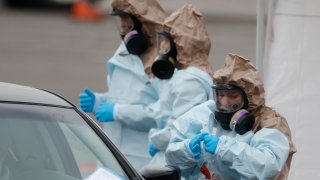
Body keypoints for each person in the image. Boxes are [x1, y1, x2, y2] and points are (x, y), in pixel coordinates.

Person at [165, 54, 297, 179]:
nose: (224, 103)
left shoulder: (270, 122)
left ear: (249, 97)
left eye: (233, 96)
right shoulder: (206, 114)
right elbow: (175, 163)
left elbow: (268, 166)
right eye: (221, 95)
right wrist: (186, 151)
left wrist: (224, 149)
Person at [79, 0, 166, 170]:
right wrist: (100, 101)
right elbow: (122, 97)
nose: (123, 24)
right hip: (112, 156)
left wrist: (118, 112)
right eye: (121, 19)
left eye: (128, 19)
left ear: (145, 22)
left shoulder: (163, 65)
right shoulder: (124, 53)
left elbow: (163, 115)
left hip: (144, 160)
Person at [147, 4, 214, 165]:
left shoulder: (188, 81)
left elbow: (182, 129)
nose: (163, 49)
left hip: (180, 162)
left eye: (167, 43)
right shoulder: (190, 75)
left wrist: (156, 140)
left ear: (181, 45)